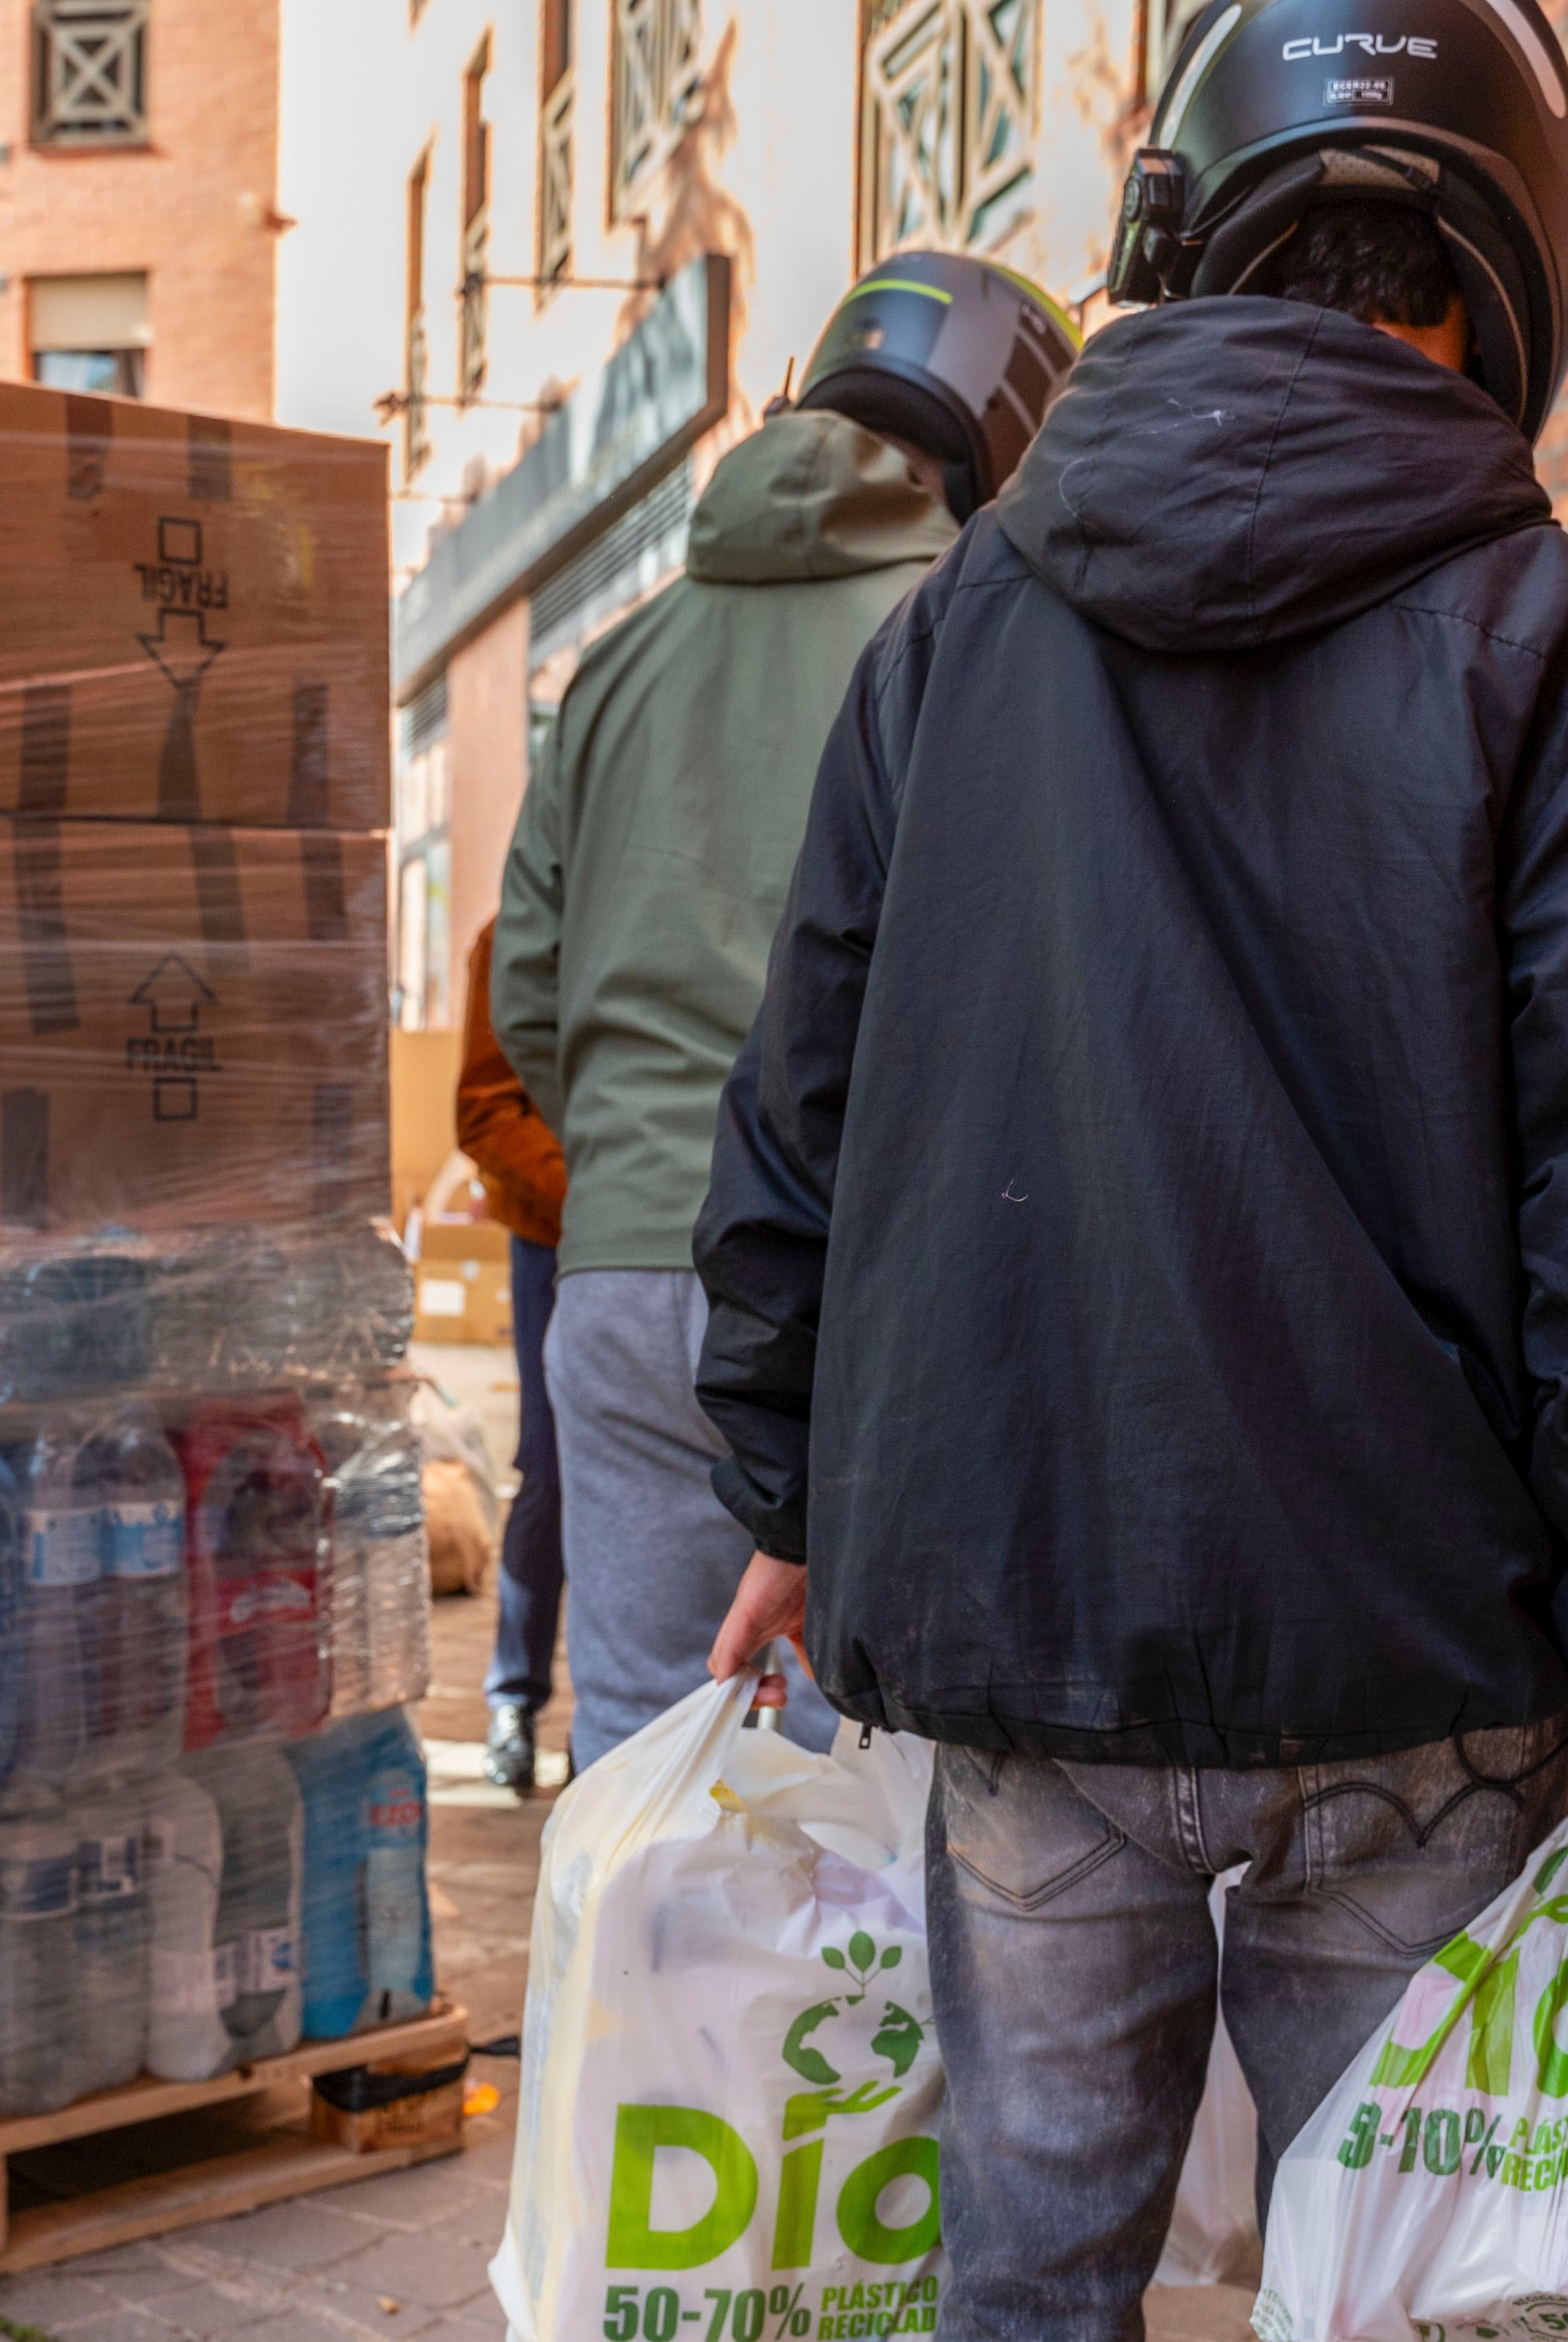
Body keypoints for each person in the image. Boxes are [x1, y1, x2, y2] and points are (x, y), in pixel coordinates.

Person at [691, 12, 1568, 2342]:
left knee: (1030, 2307)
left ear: (1188, 229)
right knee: (1385, 2333)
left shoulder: (956, 643)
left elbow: (795, 1106)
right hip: (1417, 1675)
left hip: (1025, 1650)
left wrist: (781, 1490)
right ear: (1513, 270)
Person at [490, 251, 1074, 1773]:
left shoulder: (609, 667)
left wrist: (634, 1159)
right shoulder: (983, 638)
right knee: (872, 1767)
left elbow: (528, 995)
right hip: (866, 1282)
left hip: (617, 1278)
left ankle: (628, 2024)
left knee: (639, 1748)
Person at [453, 921, 568, 1793]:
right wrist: (588, 1192)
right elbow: (486, 1109)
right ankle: (514, 1700)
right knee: (552, 1467)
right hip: (561, 1231)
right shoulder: (516, 936)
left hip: (685, 1228)